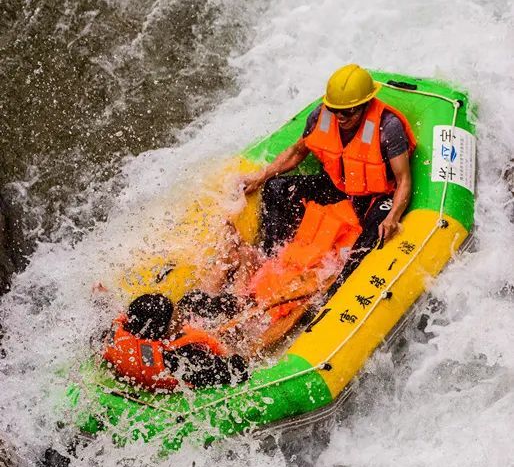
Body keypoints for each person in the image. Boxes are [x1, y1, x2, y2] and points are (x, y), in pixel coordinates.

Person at [243, 64, 416, 277]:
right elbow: (297, 153)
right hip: (338, 186)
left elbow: (404, 180)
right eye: (335, 110)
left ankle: (340, 287)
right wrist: (261, 176)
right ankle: (270, 259)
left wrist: (394, 216)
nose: (340, 117)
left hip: (376, 196)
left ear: (365, 105)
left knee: (377, 230)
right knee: (276, 187)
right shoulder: (320, 116)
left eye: (348, 111)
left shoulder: (388, 127)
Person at [103, 293, 247, 391]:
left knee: (192, 297)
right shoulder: (180, 360)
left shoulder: (118, 333)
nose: (179, 317)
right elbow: (238, 371)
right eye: (174, 317)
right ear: (161, 331)